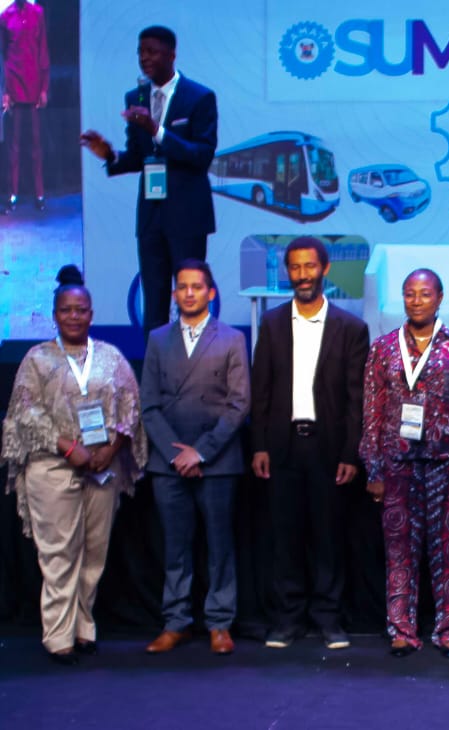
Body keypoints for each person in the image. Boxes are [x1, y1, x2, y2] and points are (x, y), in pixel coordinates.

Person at [2, 266, 147, 664]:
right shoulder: (37, 359)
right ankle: (58, 635)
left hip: (102, 467)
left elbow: (131, 407)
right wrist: (68, 448)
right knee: (59, 554)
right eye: (66, 310)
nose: (74, 316)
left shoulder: (110, 357)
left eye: (81, 310)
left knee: (94, 553)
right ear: (55, 315)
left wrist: (111, 449)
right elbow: (24, 414)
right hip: (53, 467)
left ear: (91, 314)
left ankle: (84, 628)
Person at [250, 237, 369, 650]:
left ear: (325, 269)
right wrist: (259, 445)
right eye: (295, 268)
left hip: (329, 449)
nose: (303, 275)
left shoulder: (351, 328)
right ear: (288, 272)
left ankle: (328, 619)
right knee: (285, 538)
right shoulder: (272, 324)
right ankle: (288, 620)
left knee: (328, 539)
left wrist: (351, 452)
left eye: (310, 267)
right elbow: (260, 391)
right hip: (282, 447)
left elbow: (357, 399)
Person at [359, 269, 449, 659]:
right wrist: (373, 468)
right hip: (397, 465)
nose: (417, 301)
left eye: (425, 293)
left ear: (440, 298)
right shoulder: (383, 349)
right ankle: (401, 629)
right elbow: (372, 413)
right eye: (410, 294)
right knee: (399, 550)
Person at [139, 260, 248, 655]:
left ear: (211, 293)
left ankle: (220, 623)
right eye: (182, 287)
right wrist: (177, 455)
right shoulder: (158, 339)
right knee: (175, 547)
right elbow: (149, 405)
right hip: (168, 462)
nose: (189, 293)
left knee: (220, 546)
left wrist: (200, 452)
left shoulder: (232, 338)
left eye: (196, 287)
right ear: (174, 294)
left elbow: (239, 404)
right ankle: (176, 622)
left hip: (216, 462)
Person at [79, 25, 216, 333]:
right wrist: (109, 155)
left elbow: (202, 155)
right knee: (153, 303)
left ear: (171, 54)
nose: (144, 58)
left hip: (188, 217)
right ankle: (153, 365)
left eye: (152, 52)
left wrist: (156, 130)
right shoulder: (136, 96)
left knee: (190, 300)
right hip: (150, 217)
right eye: (140, 52)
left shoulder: (199, 97)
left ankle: (194, 362)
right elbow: (139, 157)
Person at [1, 0, 49, 212]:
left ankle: (39, 193)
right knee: (14, 144)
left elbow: (43, 50)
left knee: (36, 144)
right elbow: (4, 56)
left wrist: (44, 88)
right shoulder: (5, 16)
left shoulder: (37, 13)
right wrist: (5, 91)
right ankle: (13, 193)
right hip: (14, 85)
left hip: (34, 84)